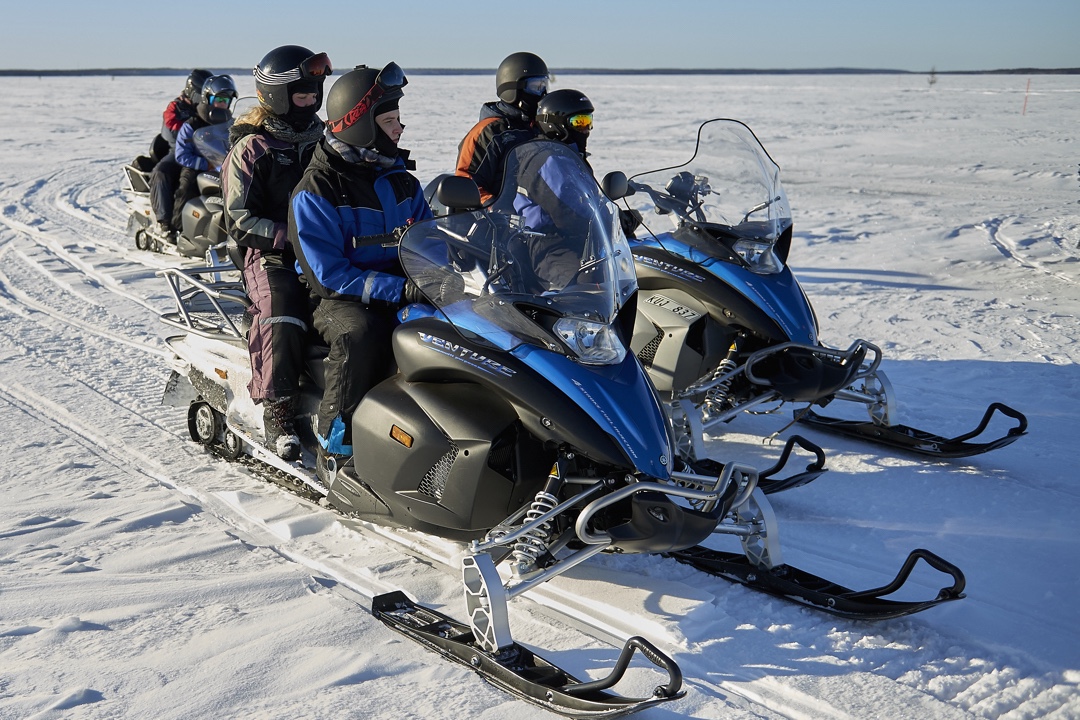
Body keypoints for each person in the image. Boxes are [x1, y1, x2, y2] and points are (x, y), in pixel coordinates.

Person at [289, 63, 432, 483]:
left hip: (402, 290)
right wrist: (400, 290)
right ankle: (337, 446)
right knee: (361, 334)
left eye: (398, 120)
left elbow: (430, 242)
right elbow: (327, 274)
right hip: (336, 299)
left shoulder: (403, 181)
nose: (400, 129)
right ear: (361, 127)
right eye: (389, 121)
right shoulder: (317, 190)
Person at [221, 45, 332, 461]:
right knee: (283, 307)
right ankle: (279, 411)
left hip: (323, 250)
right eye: (302, 96)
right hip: (269, 254)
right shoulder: (254, 148)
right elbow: (239, 219)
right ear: (278, 97)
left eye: (314, 95)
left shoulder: (325, 141)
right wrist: (289, 235)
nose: (310, 103)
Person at [455, 52, 549, 203]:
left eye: (544, 85)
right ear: (513, 87)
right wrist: (494, 208)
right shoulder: (489, 132)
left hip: (540, 217)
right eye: (535, 87)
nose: (542, 93)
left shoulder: (539, 127)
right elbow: (467, 181)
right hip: (497, 220)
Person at [149, 68, 211, 238]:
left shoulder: (208, 107)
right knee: (161, 172)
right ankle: (165, 222)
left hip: (206, 151)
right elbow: (169, 129)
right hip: (178, 150)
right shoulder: (176, 107)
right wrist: (189, 132)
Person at [172, 74, 237, 233]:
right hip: (197, 167)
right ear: (207, 99)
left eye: (226, 101)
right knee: (187, 185)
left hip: (222, 166)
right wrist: (204, 164)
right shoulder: (191, 125)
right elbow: (182, 155)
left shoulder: (231, 124)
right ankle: (179, 229)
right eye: (218, 100)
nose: (222, 105)